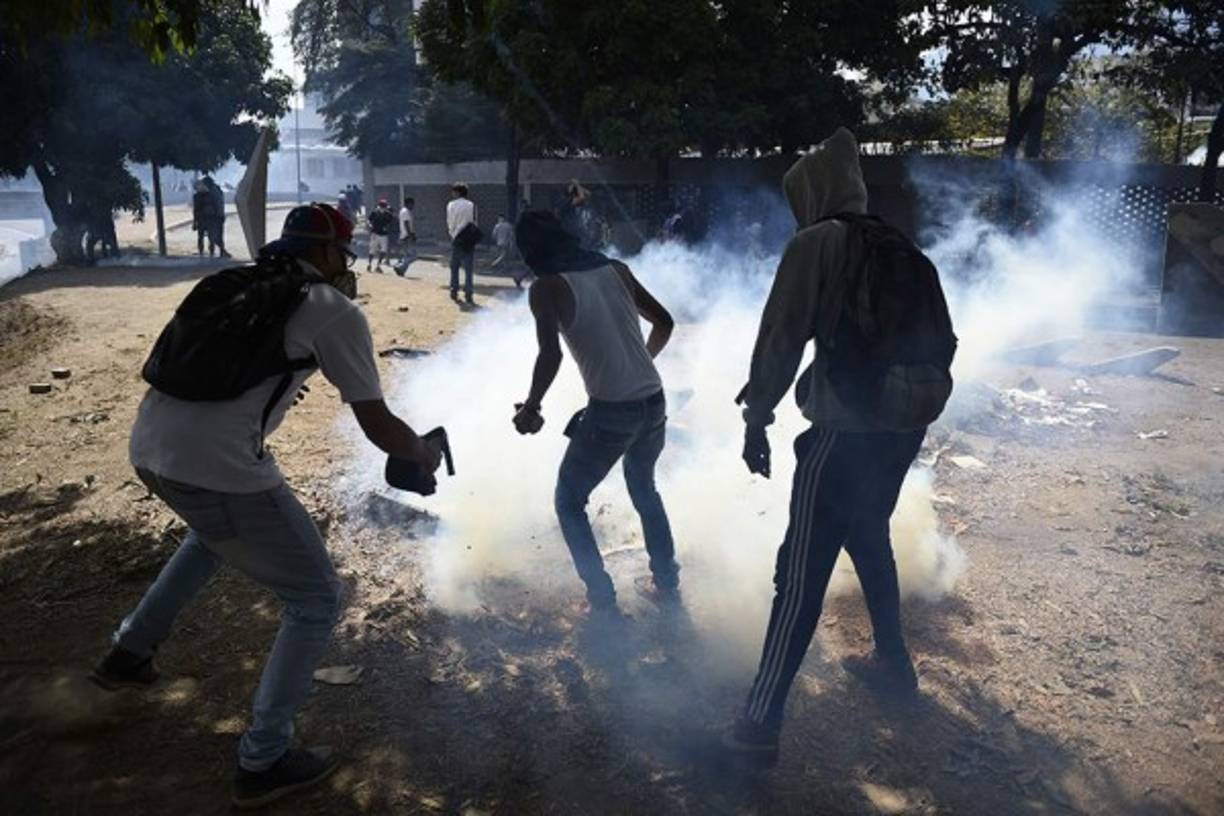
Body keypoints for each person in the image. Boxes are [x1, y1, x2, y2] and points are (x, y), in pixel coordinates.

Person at [90, 202, 442, 808]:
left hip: (150, 450)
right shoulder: (333, 310)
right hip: (218, 468)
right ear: (326, 252)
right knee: (316, 597)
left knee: (210, 538)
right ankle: (265, 759)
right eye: (342, 252)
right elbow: (377, 422)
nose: (345, 263)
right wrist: (421, 453)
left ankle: (129, 653)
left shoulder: (230, 283)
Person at [722, 128, 939, 765]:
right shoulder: (900, 246)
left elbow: (781, 338)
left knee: (800, 573)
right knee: (868, 536)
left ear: (812, 193)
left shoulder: (815, 243)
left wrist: (757, 418)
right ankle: (894, 665)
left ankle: (757, 728)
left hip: (844, 432)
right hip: (906, 422)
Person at [512, 210, 679, 615]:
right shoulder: (616, 269)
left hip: (612, 412)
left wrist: (531, 407)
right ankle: (666, 583)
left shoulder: (546, 288)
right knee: (644, 488)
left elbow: (550, 354)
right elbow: (665, 322)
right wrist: (640, 364)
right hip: (653, 399)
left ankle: (602, 600)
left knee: (569, 501)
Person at [446, 183, 479, 304]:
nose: (452, 193)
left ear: (457, 192)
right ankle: (468, 293)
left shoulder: (451, 205)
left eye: (453, 191)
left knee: (454, 266)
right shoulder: (471, 205)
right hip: (468, 238)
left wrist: (452, 234)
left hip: (456, 237)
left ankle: (454, 290)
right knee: (468, 268)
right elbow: (475, 222)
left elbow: (449, 222)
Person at [202, 175, 230, 258]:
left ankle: (222, 251)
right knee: (215, 235)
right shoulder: (214, 190)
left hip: (215, 217)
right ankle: (217, 251)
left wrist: (219, 215)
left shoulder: (214, 191)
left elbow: (218, 204)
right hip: (215, 216)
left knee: (214, 235)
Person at [366, 197, 394, 272]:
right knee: (372, 250)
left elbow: (391, 223)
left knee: (383, 251)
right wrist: (370, 225)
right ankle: (369, 264)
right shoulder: (374, 212)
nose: (383, 208)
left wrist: (388, 227)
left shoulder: (388, 214)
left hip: (384, 235)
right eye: (382, 206)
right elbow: (369, 220)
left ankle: (378, 265)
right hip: (375, 234)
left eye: (384, 206)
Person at [192, 180, 216, 256]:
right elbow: (215, 207)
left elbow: (195, 209)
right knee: (210, 236)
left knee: (200, 236)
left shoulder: (196, 196)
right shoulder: (211, 195)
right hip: (210, 218)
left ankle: (201, 251)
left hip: (201, 219)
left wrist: (194, 222)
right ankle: (211, 251)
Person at [394, 197, 416, 277]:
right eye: (412, 204)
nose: (413, 206)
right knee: (413, 256)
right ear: (408, 203)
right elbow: (406, 224)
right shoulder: (406, 212)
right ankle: (399, 266)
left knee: (406, 255)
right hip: (406, 236)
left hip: (403, 235)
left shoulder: (402, 211)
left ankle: (401, 270)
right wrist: (410, 235)